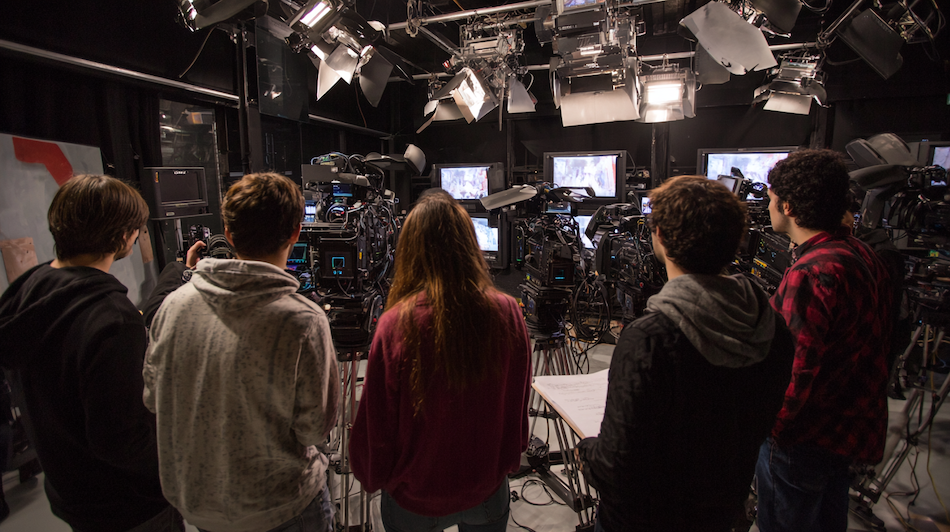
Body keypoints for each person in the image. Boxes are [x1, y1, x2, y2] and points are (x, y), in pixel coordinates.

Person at [575, 175, 795, 532]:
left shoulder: (649, 339)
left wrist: (585, 452)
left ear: (659, 236)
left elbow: (616, 468)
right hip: (721, 513)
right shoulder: (772, 329)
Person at [143, 172, 340, 532]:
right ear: (296, 232)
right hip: (283, 508)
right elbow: (315, 429)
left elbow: (155, 399)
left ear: (228, 233)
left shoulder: (172, 307)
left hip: (200, 508)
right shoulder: (304, 321)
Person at [0, 174, 182, 532]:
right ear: (121, 235)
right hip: (128, 504)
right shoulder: (113, 319)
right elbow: (121, 440)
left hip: (73, 493)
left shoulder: (31, 291)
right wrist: (178, 468)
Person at [348, 189, 532, 532]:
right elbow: (516, 406)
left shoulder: (395, 324)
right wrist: (507, 459)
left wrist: (373, 475)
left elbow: (378, 426)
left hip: (415, 497)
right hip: (487, 491)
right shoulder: (508, 312)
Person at [756, 149, 892, 532]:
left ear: (788, 205)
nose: (768, 207)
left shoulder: (812, 273)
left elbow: (794, 372)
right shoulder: (862, 254)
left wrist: (769, 428)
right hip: (846, 434)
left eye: (770, 199)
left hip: (802, 443)